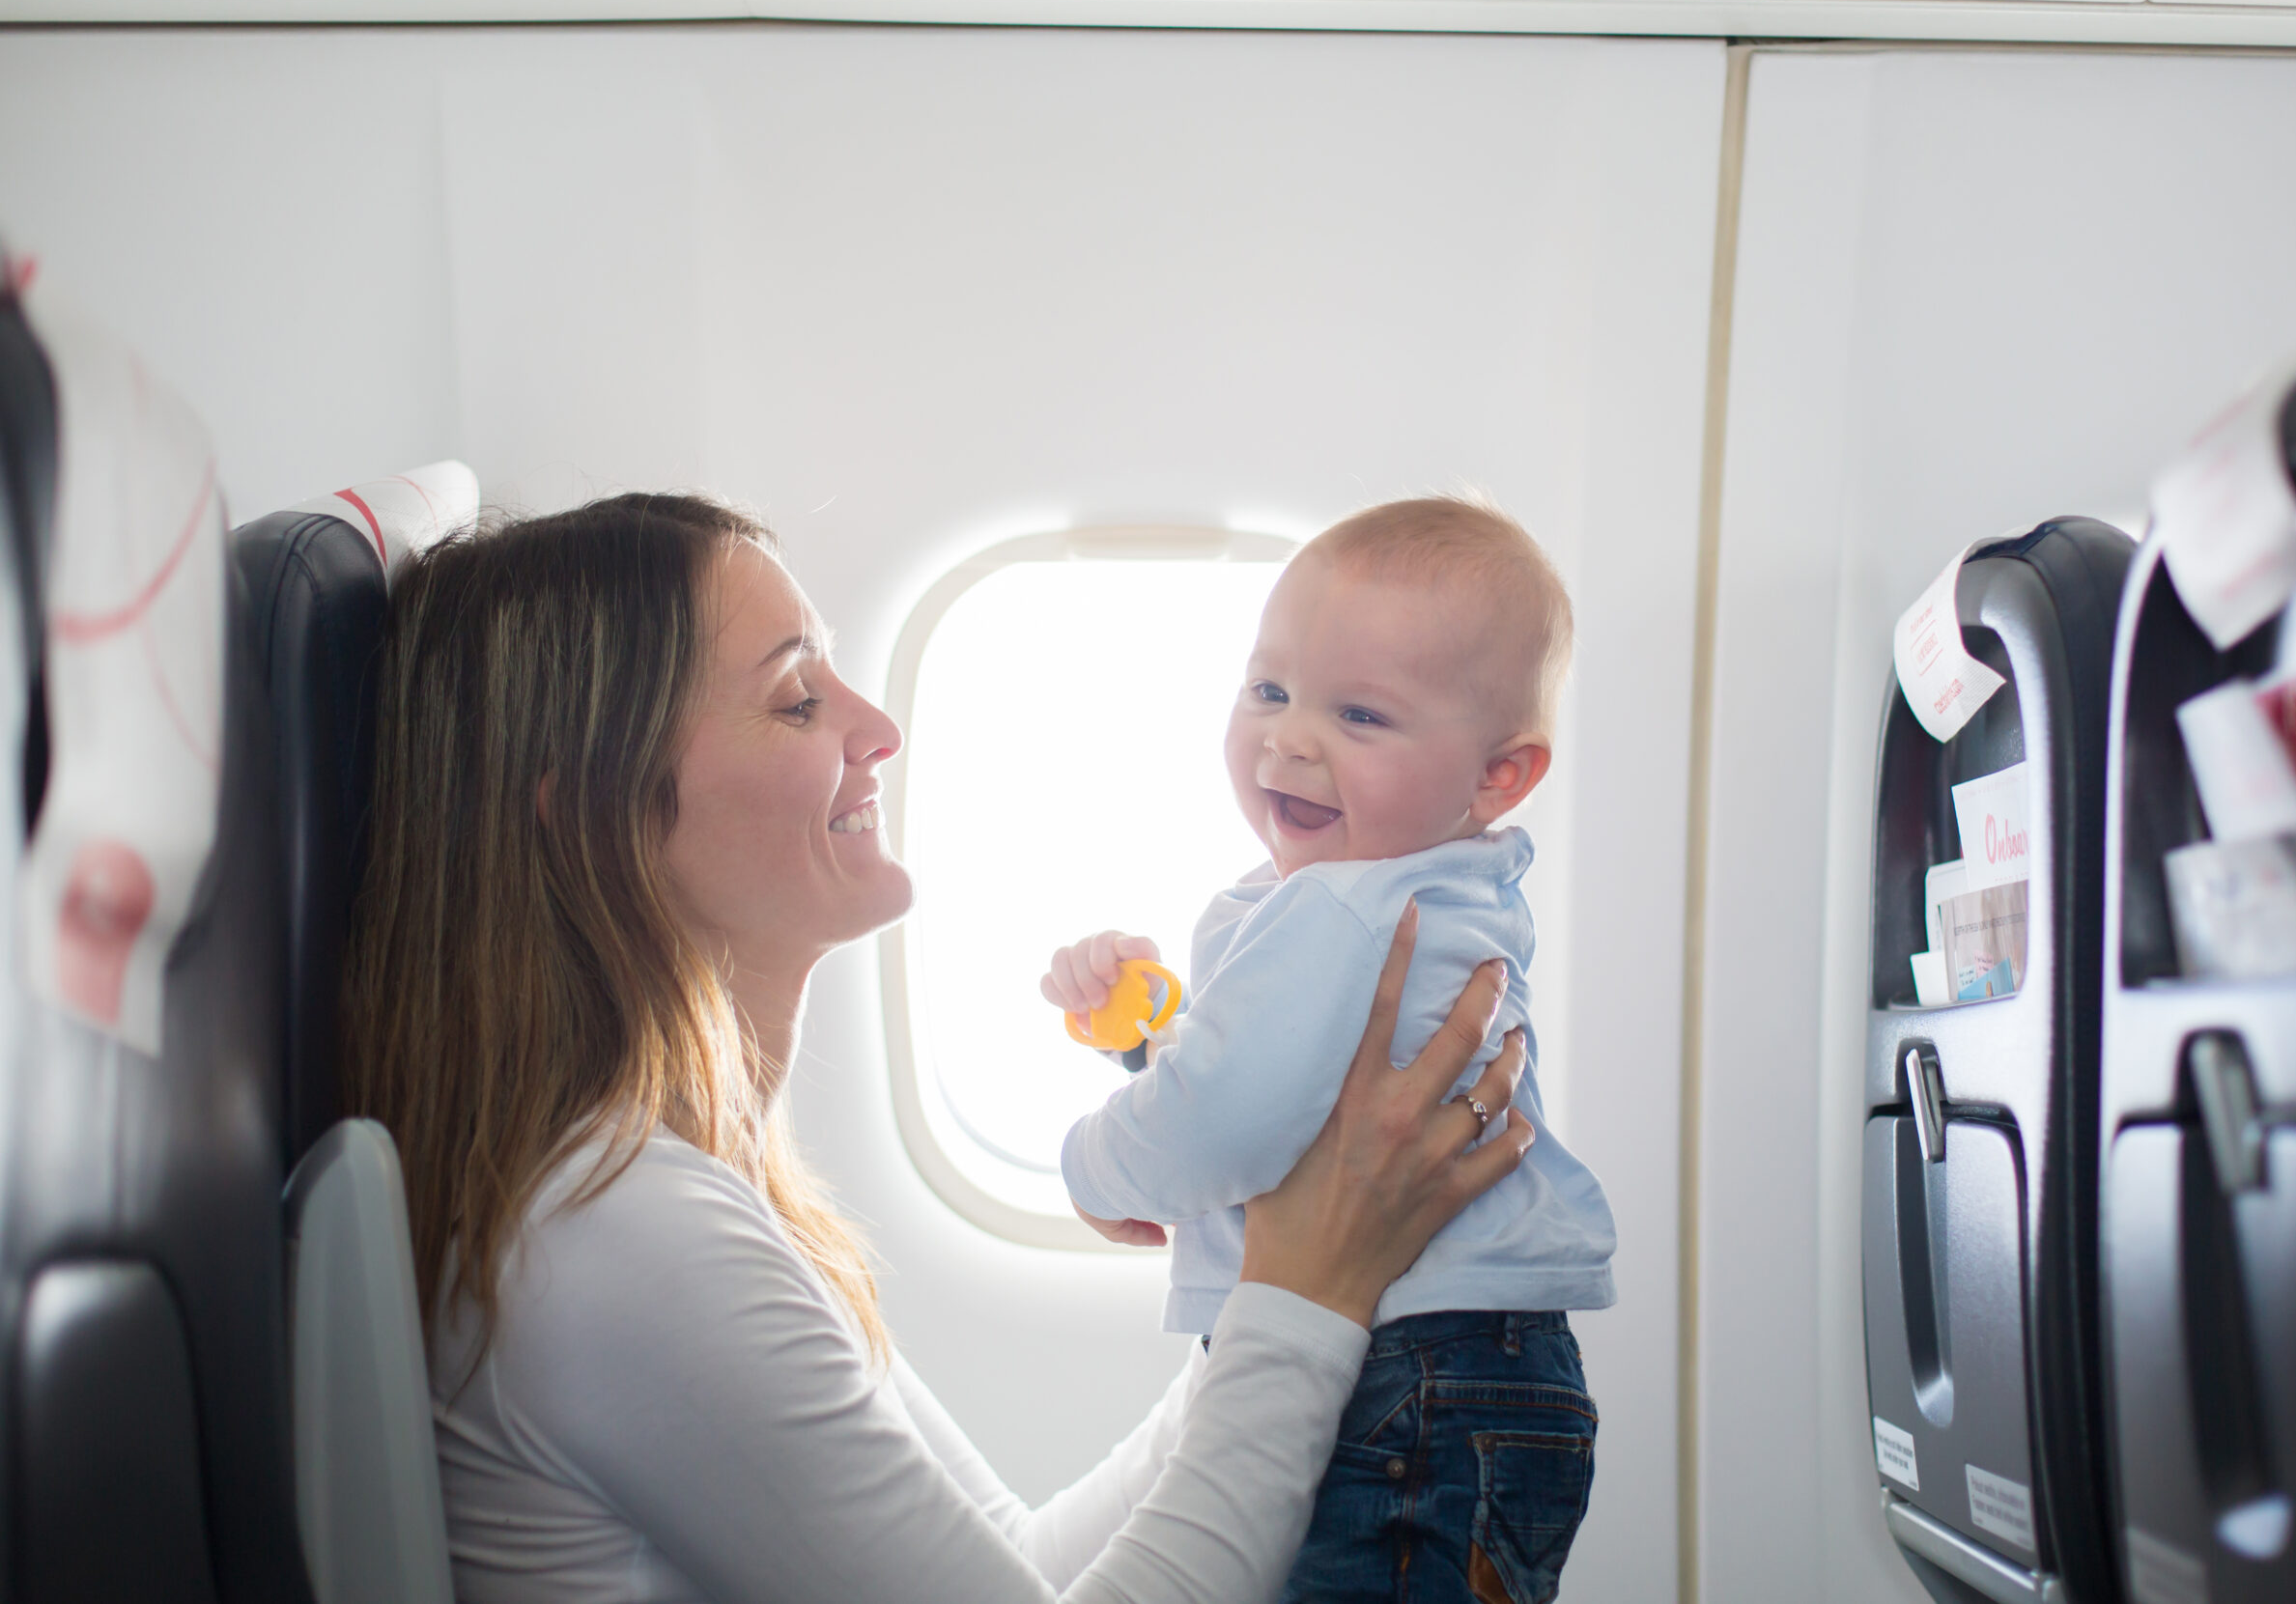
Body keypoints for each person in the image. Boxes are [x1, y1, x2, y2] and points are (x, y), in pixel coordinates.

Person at [341, 491, 1537, 1604]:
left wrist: (1300, 1265)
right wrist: (1304, 1289)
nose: (876, 726)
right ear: (594, 805)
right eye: (797, 698)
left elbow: (1017, 1564)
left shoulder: (696, 1190)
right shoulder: (616, 1234)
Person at [1041, 496, 1617, 1604]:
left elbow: (1226, 1121)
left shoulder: (1341, 912)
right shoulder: (1423, 892)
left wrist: (1092, 1166)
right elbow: (1287, 1091)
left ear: (1498, 774)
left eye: (1359, 715)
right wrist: (1146, 1035)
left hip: (1403, 1380)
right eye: (1269, 689)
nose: (1289, 737)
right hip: (1468, 1376)